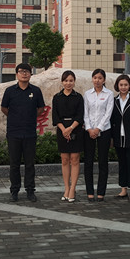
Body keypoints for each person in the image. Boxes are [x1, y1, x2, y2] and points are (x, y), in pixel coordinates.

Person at [1, 63, 45, 202]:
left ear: (31, 74)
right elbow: (4, 108)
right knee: (14, 164)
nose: (24, 74)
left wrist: (30, 117)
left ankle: (30, 190)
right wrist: (15, 117)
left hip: (30, 132)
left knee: (29, 164)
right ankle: (14, 191)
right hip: (14, 132)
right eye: (21, 71)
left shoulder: (36, 91)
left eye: (27, 71)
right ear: (17, 74)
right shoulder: (10, 91)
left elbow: (41, 108)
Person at [52, 70, 84, 203]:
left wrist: (70, 128)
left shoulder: (78, 97)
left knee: (75, 159)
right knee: (64, 159)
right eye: (66, 81)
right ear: (62, 82)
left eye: (71, 81)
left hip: (75, 129)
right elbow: (55, 116)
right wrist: (64, 130)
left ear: (74, 82)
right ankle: (66, 188)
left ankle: (73, 188)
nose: (68, 83)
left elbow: (80, 116)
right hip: (62, 129)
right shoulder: (57, 97)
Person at [83, 68, 114, 202]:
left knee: (103, 161)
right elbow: (85, 113)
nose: (97, 80)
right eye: (95, 78)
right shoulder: (87, 94)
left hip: (104, 130)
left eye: (100, 78)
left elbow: (108, 113)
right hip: (88, 131)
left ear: (104, 80)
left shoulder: (109, 94)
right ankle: (90, 192)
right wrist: (90, 129)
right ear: (92, 79)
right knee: (88, 162)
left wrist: (98, 129)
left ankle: (101, 192)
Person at [110, 74, 130, 202]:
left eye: (126, 85)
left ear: (129, 86)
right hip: (118, 137)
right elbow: (112, 119)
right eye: (121, 85)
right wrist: (111, 138)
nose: (123, 87)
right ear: (117, 86)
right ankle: (123, 189)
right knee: (122, 164)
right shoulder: (114, 100)